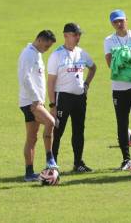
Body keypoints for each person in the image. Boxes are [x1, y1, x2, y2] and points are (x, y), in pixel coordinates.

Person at [47, 23, 96, 172]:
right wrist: (52, 105)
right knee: (58, 131)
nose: (78, 37)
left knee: (79, 130)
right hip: (63, 97)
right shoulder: (57, 55)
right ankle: (52, 164)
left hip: (80, 98)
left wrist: (86, 84)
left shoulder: (82, 53)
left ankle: (78, 163)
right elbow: (50, 81)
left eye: (79, 34)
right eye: (75, 34)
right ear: (66, 35)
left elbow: (93, 67)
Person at [104, 9, 131, 170]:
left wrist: (127, 54)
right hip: (118, 89)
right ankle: (126, 159)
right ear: (112, 23)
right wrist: (129, 58)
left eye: (121, 20)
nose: (119, 24)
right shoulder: (109, 40)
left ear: (126, 20)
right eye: (115, 21)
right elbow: (110, 63)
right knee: (122, 123)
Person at [18, 30, 58, 182]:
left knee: (32, 138)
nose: (47, 49)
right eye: (47, 46)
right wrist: (36, 99)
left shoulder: (36, 53)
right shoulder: (28, 54)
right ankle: (50, 157)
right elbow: (25, 78)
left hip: (32, 101)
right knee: (51, 122)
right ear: (40, 40)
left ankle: (29, 173)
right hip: (31, 102)